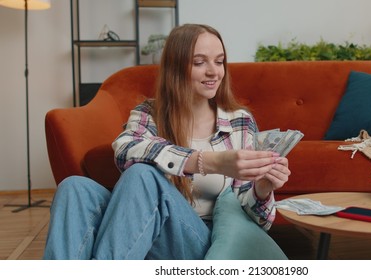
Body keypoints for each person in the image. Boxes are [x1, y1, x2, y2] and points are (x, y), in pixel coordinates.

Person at [43, 23, 290, 260]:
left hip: (197, 239)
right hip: (141, 230)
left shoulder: (240, 122)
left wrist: (263, 188)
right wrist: (207, 161)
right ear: (176, 67)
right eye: (199, 62)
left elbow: (259, 222)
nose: (214, 71)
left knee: (143, 175)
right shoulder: (149, 113)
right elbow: (125, 149)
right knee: (73, 187)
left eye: (219, 61)